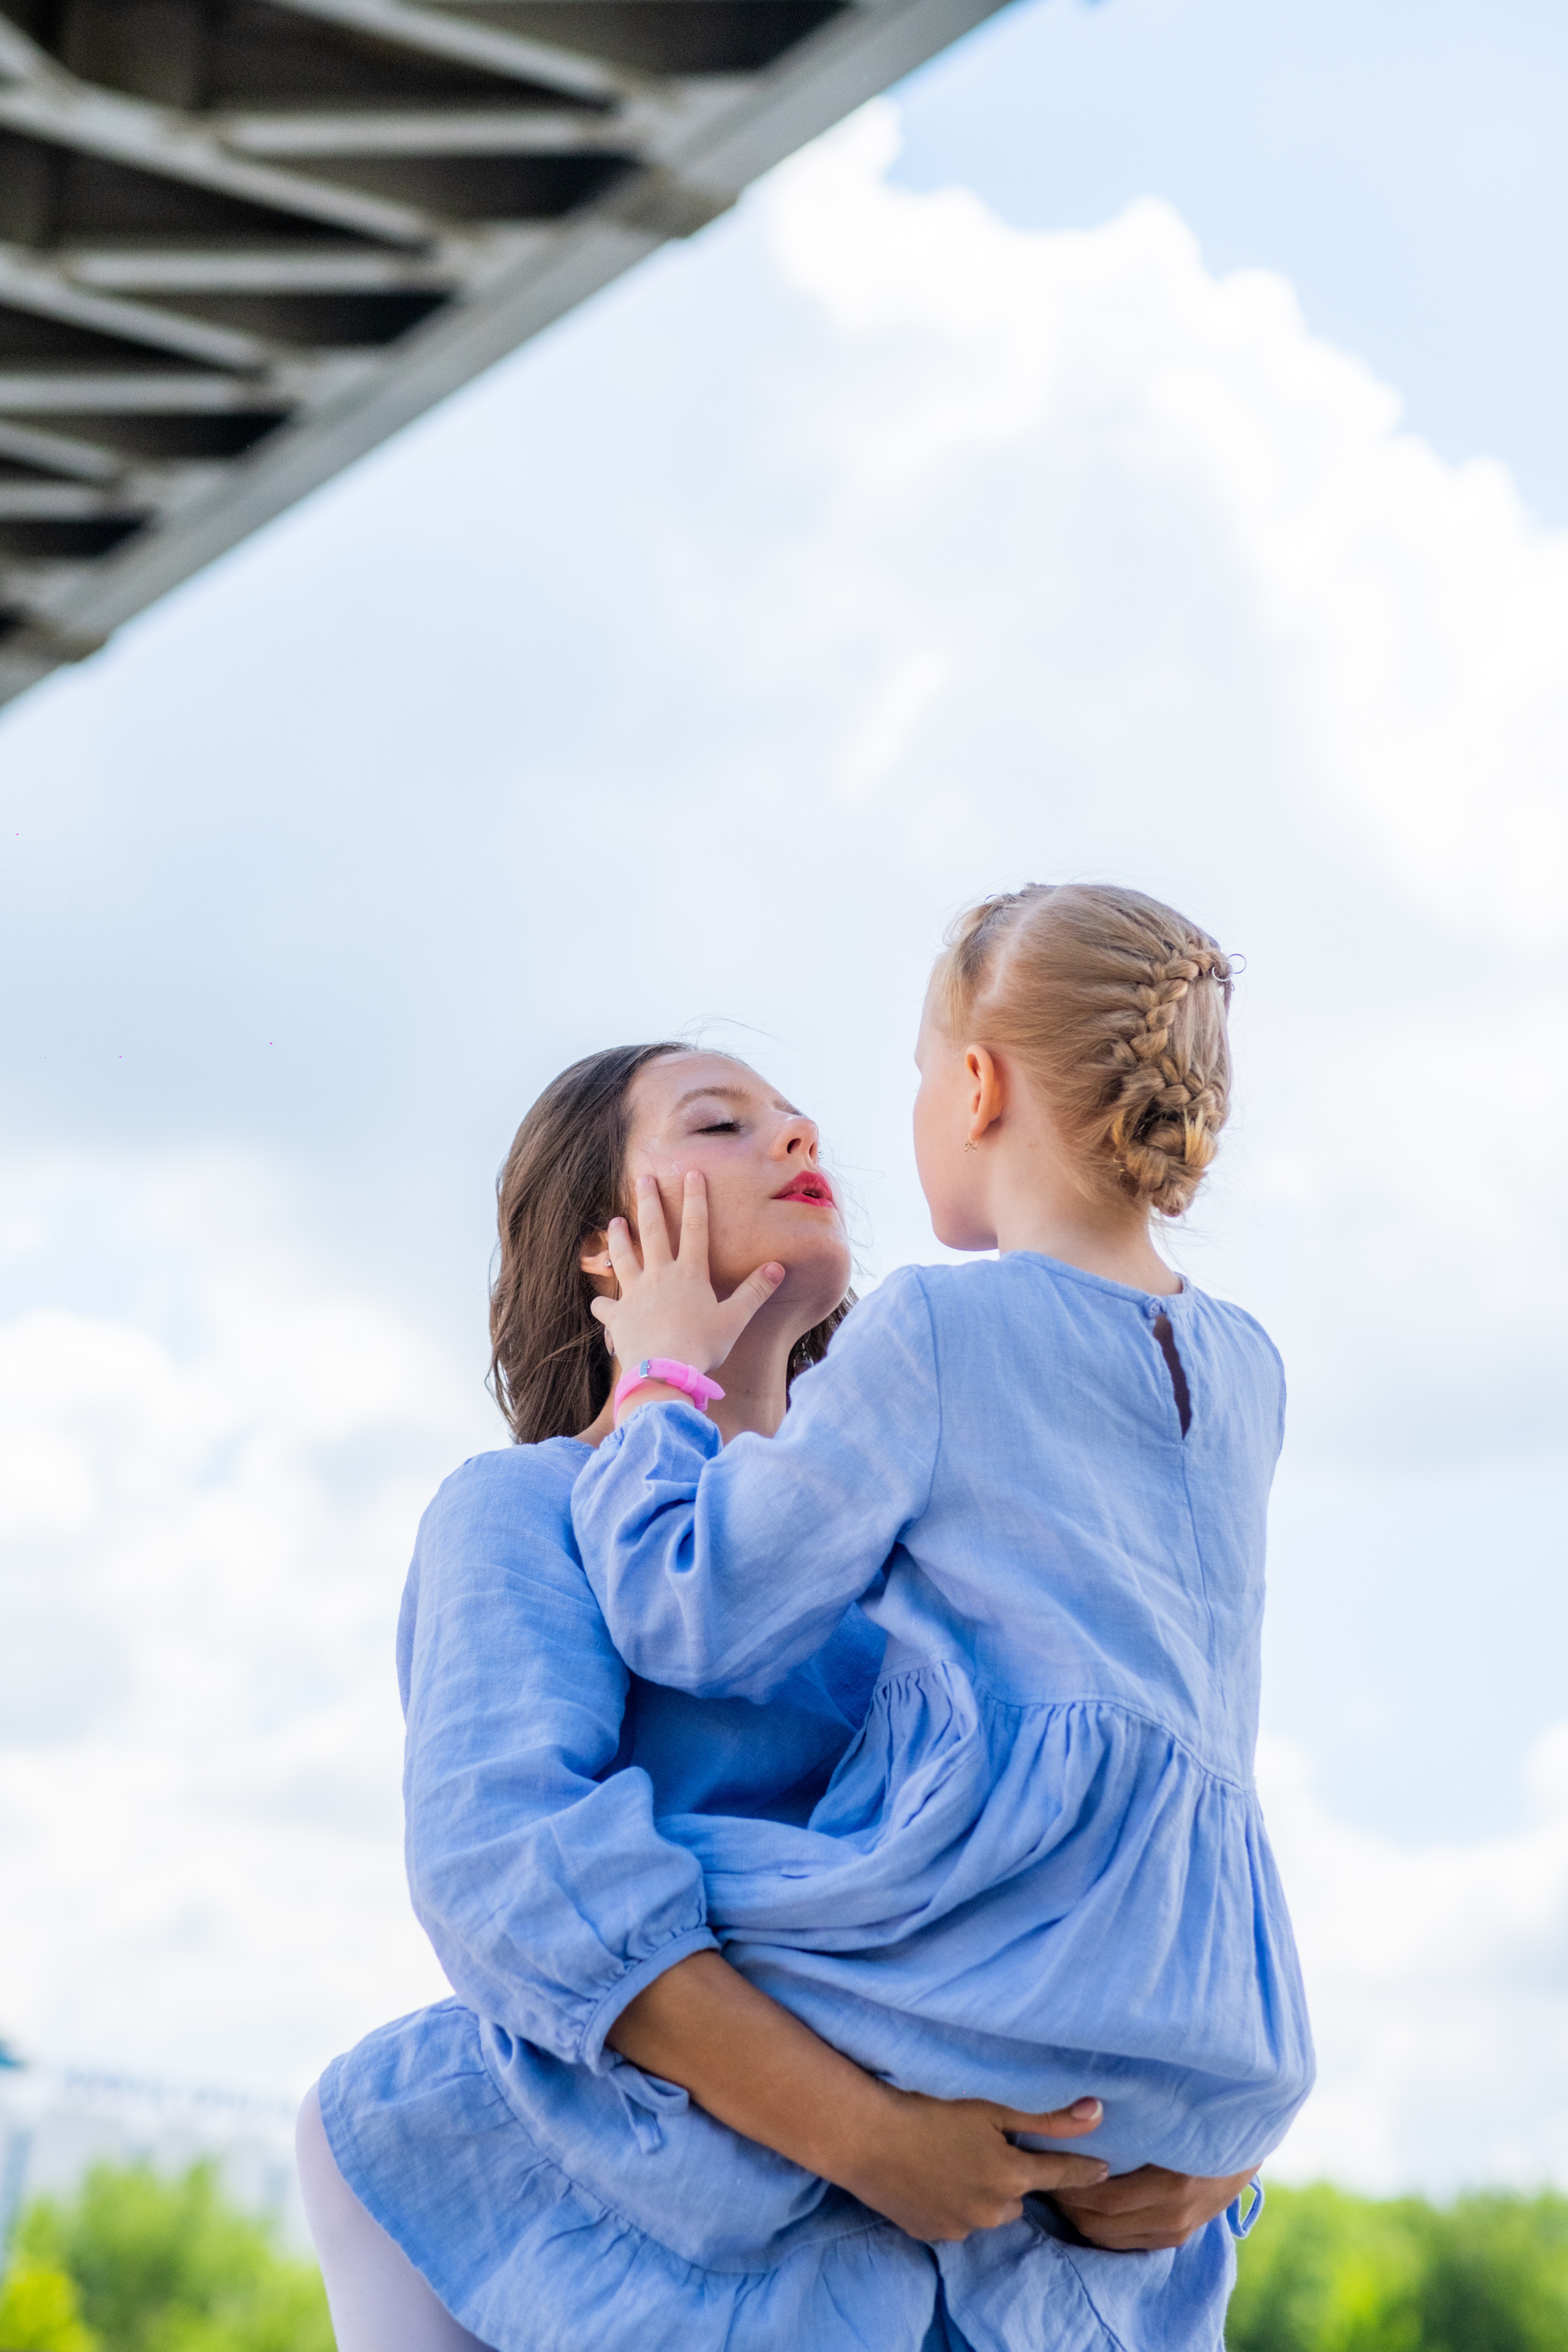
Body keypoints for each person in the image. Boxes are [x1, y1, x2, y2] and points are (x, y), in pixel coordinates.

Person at [298, 1040, 1242, 2352]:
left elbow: (1130, 1847)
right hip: (695, 2268)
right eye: (722, 1124)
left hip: (1009, 2287)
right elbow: (507, 1865)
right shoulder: (525, 1513)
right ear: (602, 1244)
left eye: (799, 1122)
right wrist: (866, 2138)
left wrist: (1213, 2155)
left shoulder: (945, 1550)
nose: (799, 1141)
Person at [572, 886, 1316, 2351]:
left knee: (609, 1943)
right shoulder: (1247, 1366)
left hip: (998, 1946)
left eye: (920, 1072)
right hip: (1211, 2021)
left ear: (975, 1086)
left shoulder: (932, 1328)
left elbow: (695, 1615)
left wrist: (660, 1382)